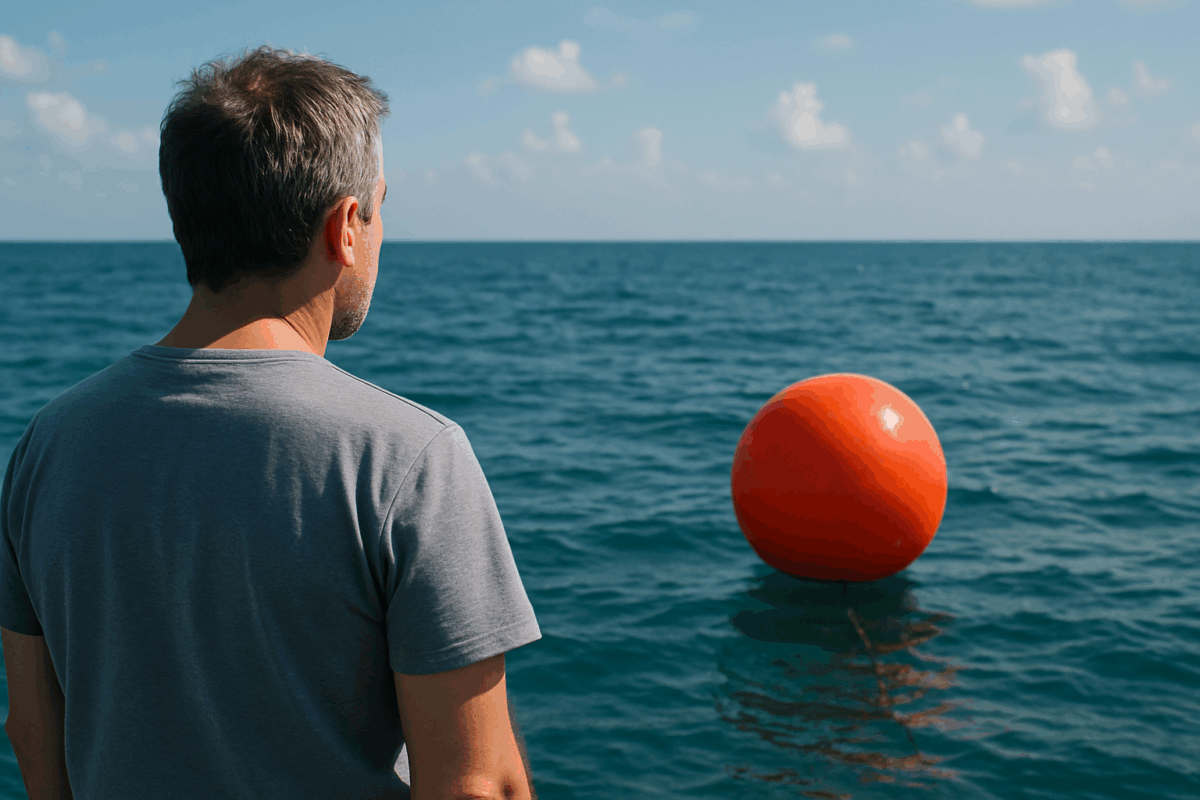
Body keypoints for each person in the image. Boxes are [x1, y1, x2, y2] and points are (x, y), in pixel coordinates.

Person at [0, 46, 541, 800]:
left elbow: (33, 732)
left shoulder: (47, 446)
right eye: (379, 209)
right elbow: (476, 784)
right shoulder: (408, 458)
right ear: (345, 226)